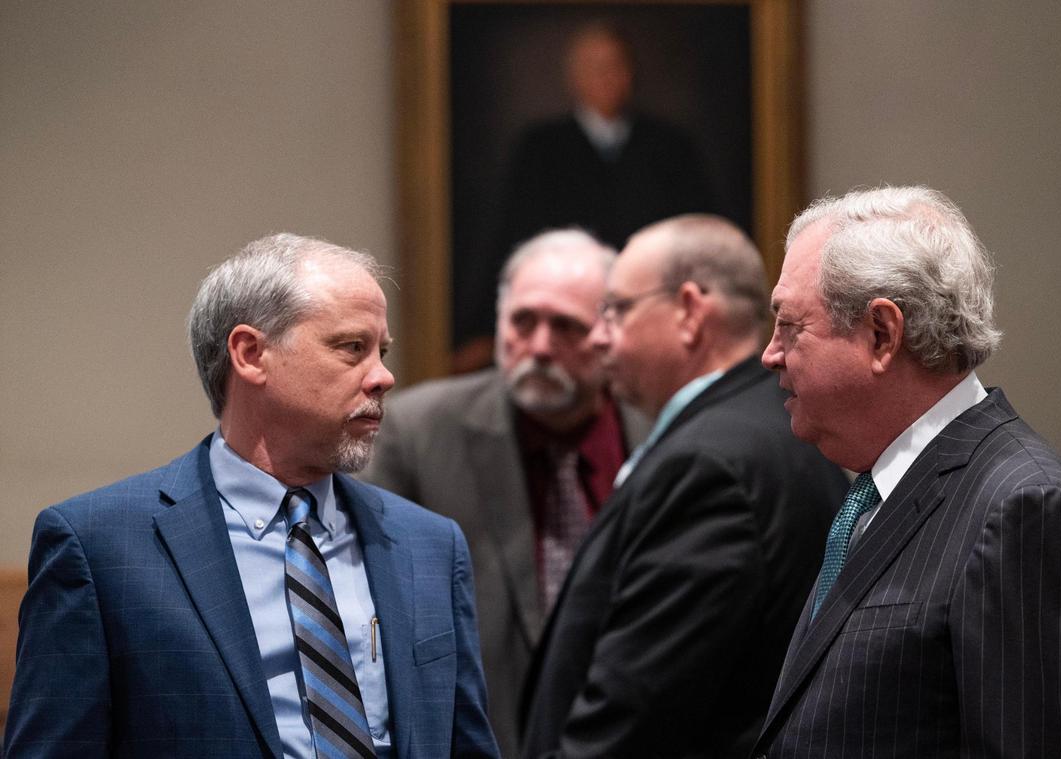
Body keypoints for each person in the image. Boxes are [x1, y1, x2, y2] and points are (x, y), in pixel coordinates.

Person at [5, 234, 499, 758]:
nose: (383, 376)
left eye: (381, 352)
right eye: (352, 347)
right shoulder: (101, 548)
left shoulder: (428, 544)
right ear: (250, 354)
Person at [750, 186, 1061, 758]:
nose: (769, 354)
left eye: (790, 326)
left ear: (881, 334)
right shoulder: (878, 487)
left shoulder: (1025, 510)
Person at [518, 215, 849, 758]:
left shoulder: (709, 464)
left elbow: (637, 716)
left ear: (691, 311)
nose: (599, 336)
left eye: (618, 310)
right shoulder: (767, 425)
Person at [366, 229, 650, 759]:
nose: (539, 347)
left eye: (565, 326)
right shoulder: (417, 431)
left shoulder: (659, 433)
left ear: (608, 330)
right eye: (524, 321)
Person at [453, 21, 718, 370]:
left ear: (630, 74)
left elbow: (698, 237)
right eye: (594, 68)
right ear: (573, 77)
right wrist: (482, 328)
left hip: (652, 313)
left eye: (614, 67)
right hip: (565, 314)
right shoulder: (540, 149)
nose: (606, 77)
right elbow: (509, 237)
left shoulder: (670, 148)